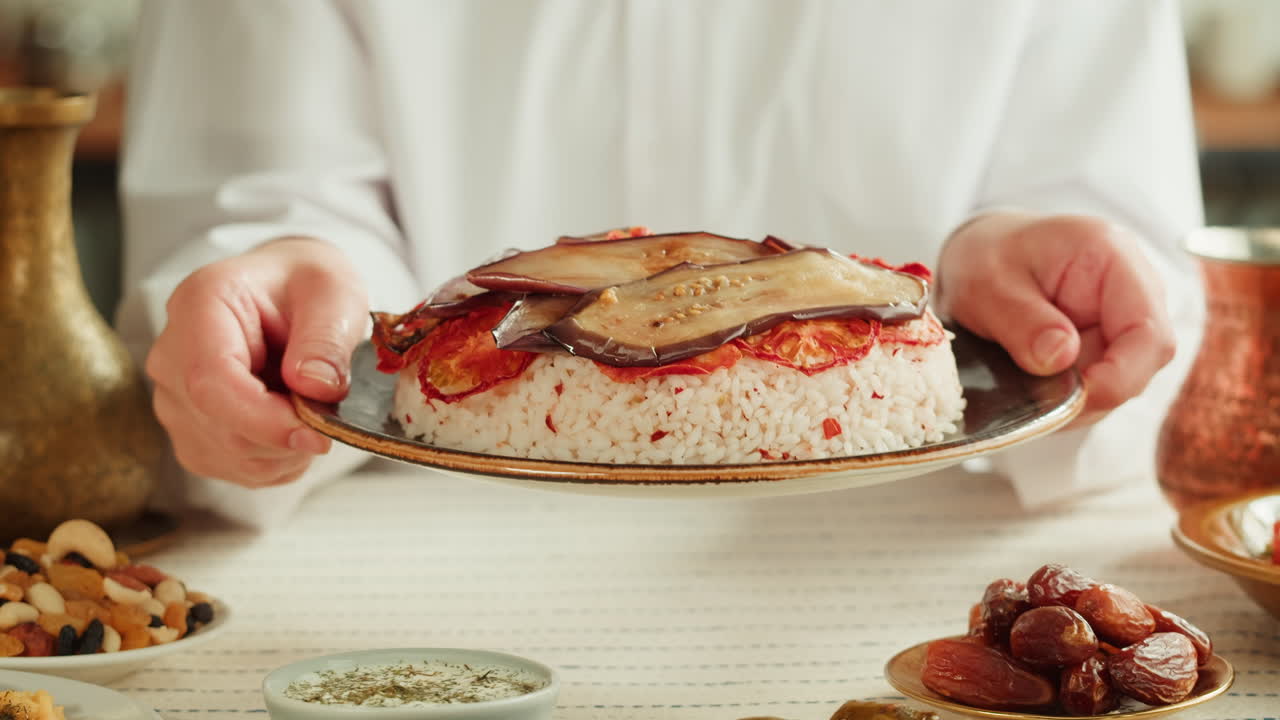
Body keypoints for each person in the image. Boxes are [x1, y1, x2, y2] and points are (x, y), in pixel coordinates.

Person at [118, 0, 1204, 527]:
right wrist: (284, 273)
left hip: (923, 551)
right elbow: (265, 188)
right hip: (408, 546)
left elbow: (1119, 227)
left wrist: (1024, 259)